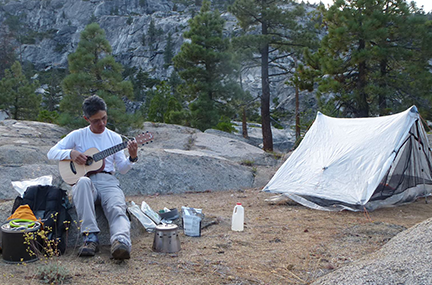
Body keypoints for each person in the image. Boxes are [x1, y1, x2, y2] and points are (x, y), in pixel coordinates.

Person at [47, 95, 138, 260]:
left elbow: (122, 169)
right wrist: (71, 153)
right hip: (85, 183)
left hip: (108, 181)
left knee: (117, 208)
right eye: (96, 120)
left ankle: (120, 242)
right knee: (82, 182)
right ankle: (90, 238)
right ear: (86, 118)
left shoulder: (115, 138)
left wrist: (132, 157)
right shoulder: (77, 135)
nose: (102, 123)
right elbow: (51, 152)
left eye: (104, 118)